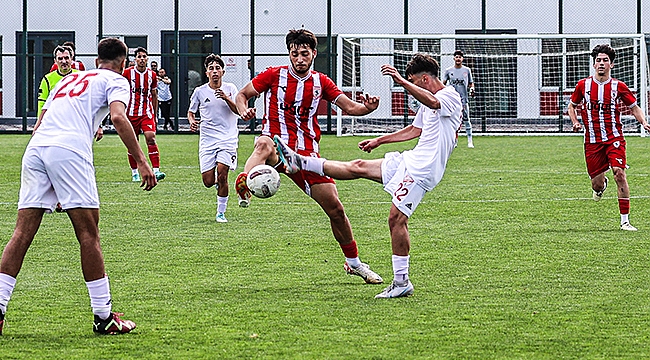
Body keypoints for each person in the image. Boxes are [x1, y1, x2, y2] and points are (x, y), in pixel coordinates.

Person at [0, 37, 157, 335]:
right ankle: (103, 316)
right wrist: (141, 160)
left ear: (96, 60)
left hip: (36, 148)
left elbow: (43, 118)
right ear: (123, 63)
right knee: (88, 233)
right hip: (68, 151)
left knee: (22, 232)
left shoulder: (69, 79)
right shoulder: (117, 80)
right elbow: (119, 117)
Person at [274, 53, 462, 298]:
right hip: (410, 160)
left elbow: (434, 103)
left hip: (424, 170)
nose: (412, 87)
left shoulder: (449, 97)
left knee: (396, 219)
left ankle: (401, 282)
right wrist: (379, 141)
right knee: (359, 166)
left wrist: (401, 82)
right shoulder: (430, 100)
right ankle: (299, 161)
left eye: (414, 82)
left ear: (424, 80)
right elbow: (416, 129)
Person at [234, 28, 383, 284]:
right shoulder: (273, 75)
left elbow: (349, 106)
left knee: (336, 210)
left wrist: (367, 109)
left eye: (304, 54)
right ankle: (246, 180)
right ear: (289, 54)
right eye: (295, 54)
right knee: (263, 145)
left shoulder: (321, 82)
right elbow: (242, 95)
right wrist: (243, 109)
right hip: (275, 144)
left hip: (306, 155)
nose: (299, 58)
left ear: (313, 54)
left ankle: (355, 263)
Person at [568, 44, 650, 231]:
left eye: (605, 60)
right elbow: (572, 106)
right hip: (592, 141)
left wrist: (643, 122)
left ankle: (625, 221)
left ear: (611, 65)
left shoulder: (618, 86)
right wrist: (575, 122)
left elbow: (634, 107)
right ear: (594, 64)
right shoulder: (583, 85)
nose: (602, 63)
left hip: (614, 138)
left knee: (619, 174)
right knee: (596, 184)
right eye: (598, 60)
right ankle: (600, 185)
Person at [188, 54, 239, 223]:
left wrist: (226, 97)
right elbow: (191, 112)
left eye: (218, 68)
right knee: (208, 181)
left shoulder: (231, 88)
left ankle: (220, 213)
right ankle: (218, 184)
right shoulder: (200, 91)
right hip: (207, 141)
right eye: (211, 68)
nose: (215, 71)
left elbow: (238, 110)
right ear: (206, 72)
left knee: (223, 173)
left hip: (228, 139)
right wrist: (192, 121)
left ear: (223, 72)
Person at [123, 47, 165, 182]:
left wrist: (154, 114)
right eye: (139, 56)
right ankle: (135, 172)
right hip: (130, 113)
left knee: (150, 137)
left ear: (147, 58)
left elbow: (154, 95)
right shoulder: (127, 73)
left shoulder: (152, 75)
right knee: (133, 142)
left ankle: (156, 170)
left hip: (146, 113)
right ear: (135, 59)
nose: (142, 59)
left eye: (144, 56)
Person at [442, 50, 475, 148]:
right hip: (453, 101)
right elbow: (443, 83)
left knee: (466, 119)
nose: (458, 59)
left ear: (462, 59)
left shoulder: (467, 70)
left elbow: (471, 83)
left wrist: (472, 89)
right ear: (454, 58)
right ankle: (454, 140)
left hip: (463, 99)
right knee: (454, 120)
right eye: (456, 57)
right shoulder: (448, 71)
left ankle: (470, 140)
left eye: (460, 57)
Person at [38, 45, 77, 116]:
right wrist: (40, 124)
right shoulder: (47, 79)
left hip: (75, 120)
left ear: (72, 59)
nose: (64, 61)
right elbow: (42, 103)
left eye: (66, 58)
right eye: (60, 58)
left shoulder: (80, 76)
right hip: (55, 120)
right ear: (55, 61)